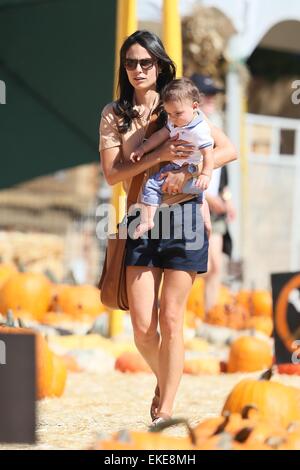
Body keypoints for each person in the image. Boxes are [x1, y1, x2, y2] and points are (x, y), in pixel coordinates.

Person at [99, 31, 237, 426]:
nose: (138, 69)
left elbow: (226, 148)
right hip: (140, 219)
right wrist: (158, 154)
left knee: (171, 320)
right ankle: (166, 378)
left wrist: (194, 170)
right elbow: (113, 175)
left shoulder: (176, 101)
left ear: (158, 64)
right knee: (143, 327)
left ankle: (166, 407)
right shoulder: (115, 113)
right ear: (124, 68)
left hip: (184, 218)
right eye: (130, 63)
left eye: (146, 62)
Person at [129, 77, 214, 239]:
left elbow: (208, 153)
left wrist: (205, 174)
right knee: (198, 195)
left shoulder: (199, 129)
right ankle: (206, 221)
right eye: (169, 114)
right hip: (181, 172)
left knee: (152, 184)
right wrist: (142, 148)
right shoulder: (175, 122)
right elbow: (160, 135)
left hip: (189, 171)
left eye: (178, 113)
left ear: (194, 106)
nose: (173, 118)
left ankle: (147, 221)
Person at [190, 74, 237, 311]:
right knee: (200, 266)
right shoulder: (188, 127)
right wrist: (209, 198)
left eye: (213, 95)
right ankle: (186, 310)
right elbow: (184, 171)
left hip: (215, 207)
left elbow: (222, 174)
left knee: (216, 267)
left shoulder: (215, 127)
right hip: (195, 203)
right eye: (206, 94)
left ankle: (207, 317)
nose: (211, 99)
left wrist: (227, 199)